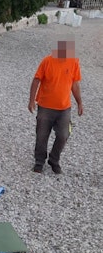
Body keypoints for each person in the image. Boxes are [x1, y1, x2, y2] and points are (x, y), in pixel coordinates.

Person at [27, 40, 83, 174]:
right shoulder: (47, 61)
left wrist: (79, 102)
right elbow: (36, 80)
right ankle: (39, 161)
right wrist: (31, 100)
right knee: (41, 135)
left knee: (64, 135)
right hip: (45, 106)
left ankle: (54, 159)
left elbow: (74, 84)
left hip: (64, 108)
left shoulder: (74, 62)